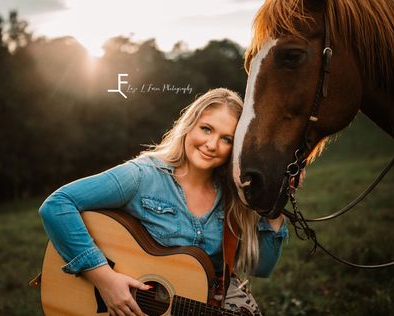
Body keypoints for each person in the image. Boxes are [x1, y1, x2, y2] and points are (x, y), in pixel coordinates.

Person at [39, 88, 289, 316]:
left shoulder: (233, 196)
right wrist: (105, 280)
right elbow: (58, 205)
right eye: (206, 129)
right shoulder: (142, 176)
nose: (212, 145)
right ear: (189, 126)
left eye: (227, 139)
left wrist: (276, 207)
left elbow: (261, 268)